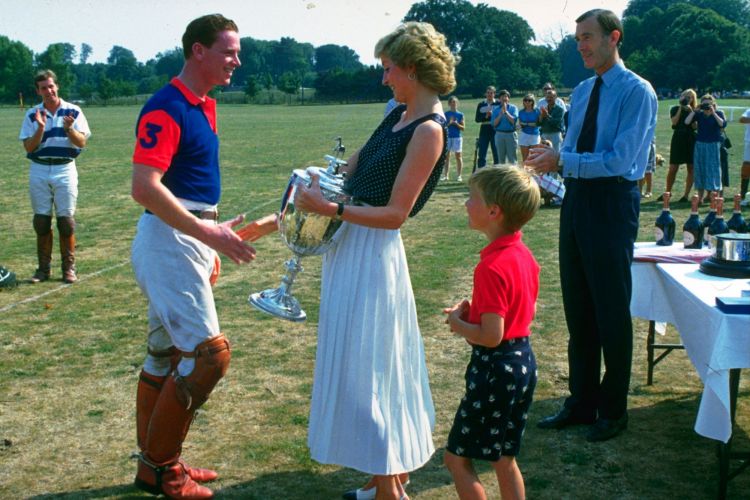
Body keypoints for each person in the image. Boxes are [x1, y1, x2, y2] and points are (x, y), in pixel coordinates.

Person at [255, 22, 455, 500]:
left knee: (370, 367)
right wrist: (317, 178)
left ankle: (390, 490)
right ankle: (381, 474)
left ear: (411, 68)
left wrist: (328, 208)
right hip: (350, 245)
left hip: (374, 254)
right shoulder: (397, 115)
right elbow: (354, 168)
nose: (384, 78)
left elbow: (395, 215)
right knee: (361, 363)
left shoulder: (429, 131)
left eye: (388, 69)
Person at [129, 14, 267, 499]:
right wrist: (204, 233)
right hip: (168, 241)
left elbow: (190, 188)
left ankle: (155, 466)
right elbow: (144, 188)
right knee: (209, 357)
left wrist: (210, 237)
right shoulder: (167, 106)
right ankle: (163, 469)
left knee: (166, 354)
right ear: (198, 51)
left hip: (187, 237)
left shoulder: (204, 104)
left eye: (238, 52)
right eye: (229, 51)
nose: (237, 61)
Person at [525, 8, 657, 442]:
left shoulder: (638, 92)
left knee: (610, 309)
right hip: (577, 200)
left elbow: (621, 160)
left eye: (587, 37)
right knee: (579, 307)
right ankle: (581, 402)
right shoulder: (581, 91)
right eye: (577, 37)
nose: (580, 44)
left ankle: (613, 410)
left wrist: (564, 159)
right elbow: (575, 148)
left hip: (613, 202)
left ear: (613, 38)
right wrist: (553, 154)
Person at [443, 166, 540, 500]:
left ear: (493, 211)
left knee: (456, 458)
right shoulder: (523, 256)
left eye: (472, 198)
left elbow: (490, 336)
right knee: (503, 458)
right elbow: (523, 311)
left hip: (495, 370)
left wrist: (458, 324)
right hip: (523, 362)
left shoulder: (490, 266)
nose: (466, 204)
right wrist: (476, 311)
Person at [19, 69, 91, 284]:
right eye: (43, 88)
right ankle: (43, 269)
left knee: (66, 221)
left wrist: (69, 129)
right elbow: (29, 147)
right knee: (41, 220)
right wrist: (41, 128)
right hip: (40, 168)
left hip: (65, 169)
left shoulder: (74, 111)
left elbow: (82, 143)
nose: (48, 91)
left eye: (51, 86)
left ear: (56, 86)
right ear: (38, 91)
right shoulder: (32, 114)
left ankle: (69, 268)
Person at [684, 94, 726, 204]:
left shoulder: (719, 113)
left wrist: (713, 113)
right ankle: (701, 197)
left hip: (713, 144)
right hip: (700, 144)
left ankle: (714, 196)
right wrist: (695, 110)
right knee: (700, 168)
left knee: (713, 169)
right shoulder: (699, 114)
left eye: (709, 103)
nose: (706, 106)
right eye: (704, 103)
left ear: (713, 104)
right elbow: (687, 122)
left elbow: (723, 124)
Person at [661, 89, 697, 203]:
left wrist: (691, 112)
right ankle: (667, 192)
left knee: (691, 167)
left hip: (690, 139)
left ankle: (685, 195)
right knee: (673, 168)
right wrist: (681, 108)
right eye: (685, 96)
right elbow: (674, 122)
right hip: (678, 138)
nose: (687, 99)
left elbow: (695, 127)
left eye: (690, 97)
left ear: (693, 99)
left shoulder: (695, 111)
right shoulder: (675, 109)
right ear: (681, 97)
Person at [491, 90, 519, 165]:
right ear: (499, 99)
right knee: (501, 159)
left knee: (512, 159)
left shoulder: (513, 108)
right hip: (499, 135)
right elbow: (494, 124)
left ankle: (513, 176)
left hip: (511, 135)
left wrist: (506, 112)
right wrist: (500, 114)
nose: (504, 98)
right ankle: (502, 176)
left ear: (508, 98)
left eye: (506, 96)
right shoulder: (496, 110)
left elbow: (513, 121)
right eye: (502, 96)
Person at [442, 95, 465, 181]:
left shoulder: (460, 114)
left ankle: (459, 176)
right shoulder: (446, 114)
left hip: (457, 137)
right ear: (449, 104)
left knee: (458, 156)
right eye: (452, 102)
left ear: (457, 103)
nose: (453, 104)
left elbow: (463, 128)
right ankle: (446, 176)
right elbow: (443, 127)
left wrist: (456, 124)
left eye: (455, 102)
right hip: (448, 137)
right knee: (446, 157)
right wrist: (450, 123)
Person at [475, 86, 499, 168]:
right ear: (485, 93)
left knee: (496, 153)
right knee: (482, 153)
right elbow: (477, 119)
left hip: (495, 129)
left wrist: (493, 116)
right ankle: (481, 172)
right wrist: (485, 116)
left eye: (491, 93)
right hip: (484, 130)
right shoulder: (481, 104)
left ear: (494, 94)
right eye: (488, 93)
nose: (489, 94)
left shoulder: (498, 104)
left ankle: (497, 172)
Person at [518, 94, 541, 163]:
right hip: (524, 135)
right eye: (525, 100)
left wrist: (526, 124)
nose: (527, 102)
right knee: (525, 159)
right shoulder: (521, 112)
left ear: (533, 102)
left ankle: (534, 173)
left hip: (535, 135)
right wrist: (528, 124)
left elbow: (538, 124)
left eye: (529, 100)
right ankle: (525, 173)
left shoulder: (537, 111)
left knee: (535, 157)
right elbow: (521, 124)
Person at [740, 107, 750, 205]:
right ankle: (743, 196)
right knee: (746, 168)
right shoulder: (749, 110)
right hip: (749, 142)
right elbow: (742, 119)